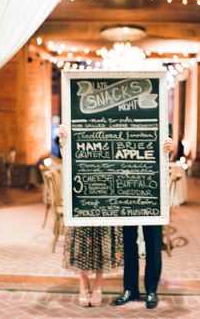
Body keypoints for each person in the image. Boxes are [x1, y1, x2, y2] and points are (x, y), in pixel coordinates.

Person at [58, 125, 123, 307]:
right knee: (80, 236)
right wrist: (64, 139)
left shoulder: (114, 123)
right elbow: (68, 156)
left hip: (107, 188)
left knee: (104, 236)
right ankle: (83, 283)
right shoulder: (78, 115)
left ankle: (99, 284)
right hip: (81, 187)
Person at [113, 137, 174, 309]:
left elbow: (164, 154)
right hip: (126, 191)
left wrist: (170, 149)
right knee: (128, 243)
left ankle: (151, 290)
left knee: (153, 244)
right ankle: (130, 289)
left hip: (152, 191)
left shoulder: (159, 117)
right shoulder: (118, 119)